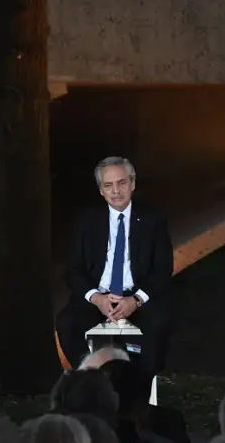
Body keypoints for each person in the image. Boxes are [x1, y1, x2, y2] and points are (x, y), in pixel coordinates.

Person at [56, 156, 174, 378]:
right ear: (101, 190)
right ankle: (91, 378)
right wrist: (97, 298)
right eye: (108, 185)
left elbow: (163, 269)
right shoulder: (86, 220)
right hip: (98, 295)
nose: (116, 191)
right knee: (67, 323)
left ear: (132, 183)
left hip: (137, 295)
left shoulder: (153, 219)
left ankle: (140, 384)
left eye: (121, 183)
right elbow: (73, 269)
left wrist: (135, 300)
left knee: (158, 324)